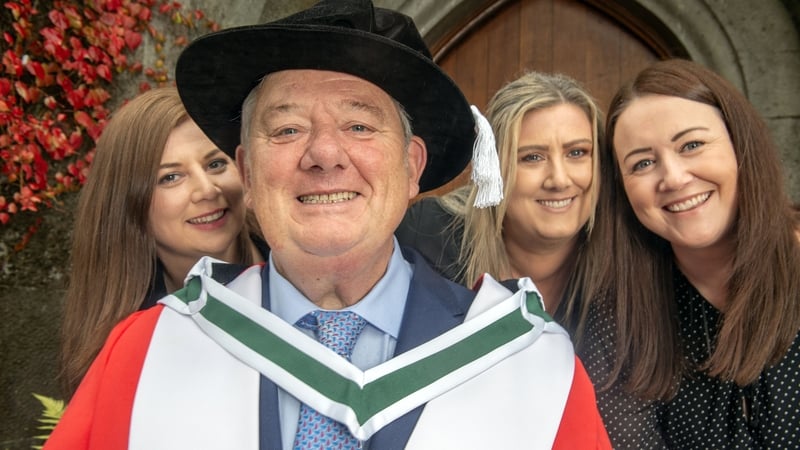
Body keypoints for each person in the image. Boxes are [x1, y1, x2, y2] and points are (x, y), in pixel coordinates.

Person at [45, 1, 611, 449]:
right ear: (246, 169)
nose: (323, 154)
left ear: (413, 168)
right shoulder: (148, 350)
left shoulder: (531, 367)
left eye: (360, 126)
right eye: (286, 130)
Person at [590, 58, 800, 448]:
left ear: (740, 146)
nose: (673, 177)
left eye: (692, 145)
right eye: (643, 163)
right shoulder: (619, 316)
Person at [59, 87, 265, 396]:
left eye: (215, 164)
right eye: (170, 177)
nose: (206, 190)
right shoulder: (125, 344)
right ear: (128, 204)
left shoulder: (304, 276)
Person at [396, 71, 606, 328]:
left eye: (577, 153)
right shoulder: (432, 236)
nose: (559, 180)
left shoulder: (626, 260)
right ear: (493, 168)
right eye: (532, 157)